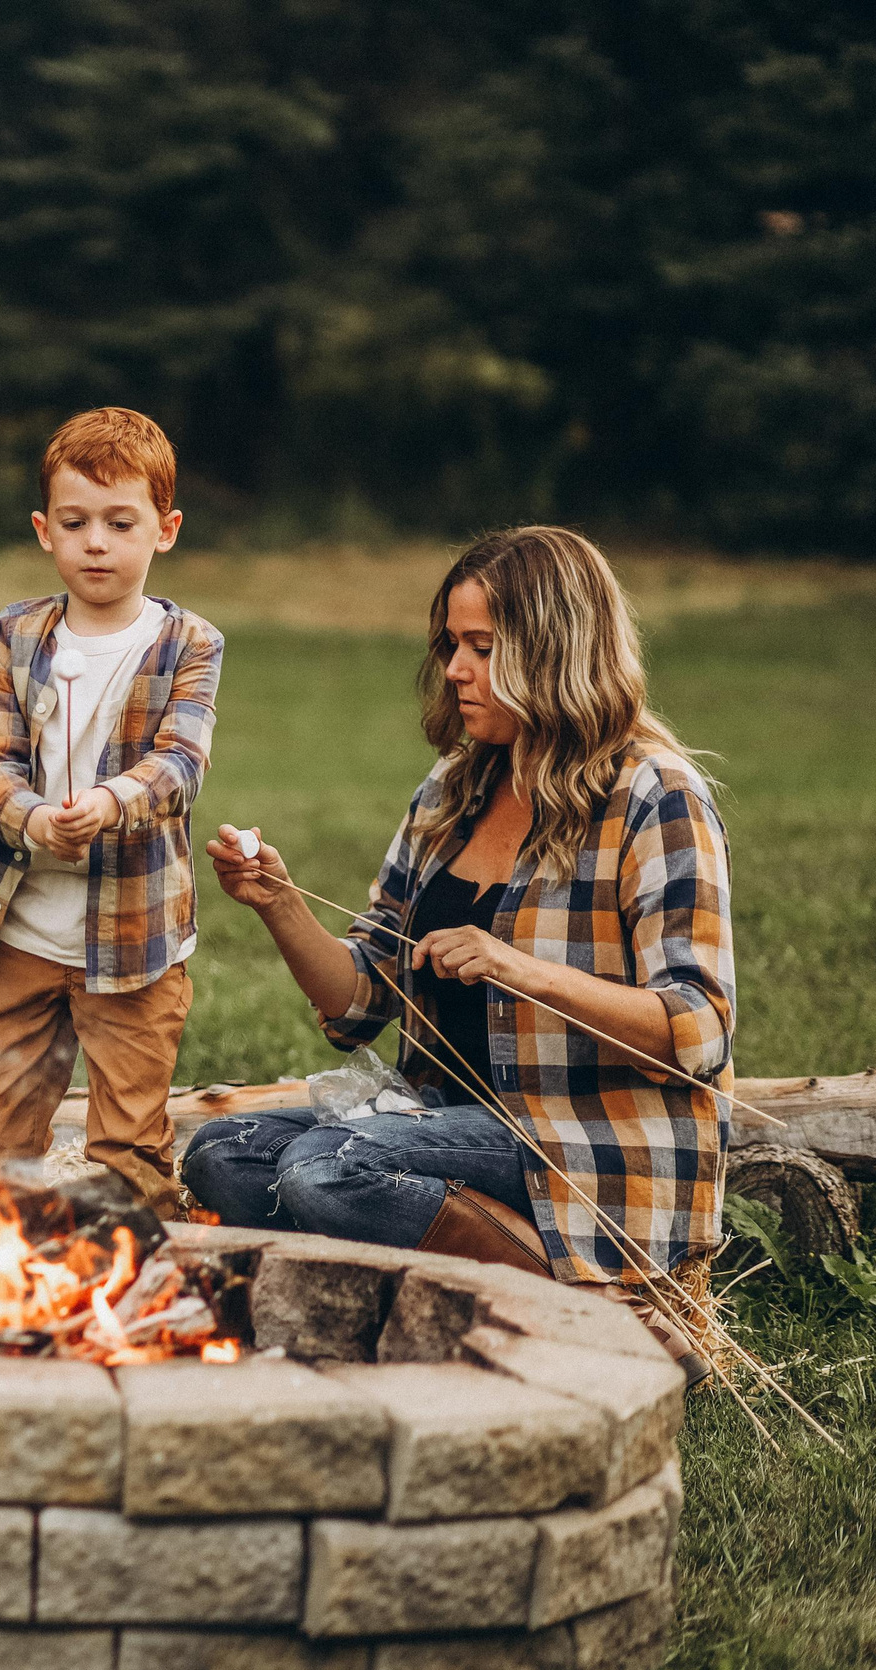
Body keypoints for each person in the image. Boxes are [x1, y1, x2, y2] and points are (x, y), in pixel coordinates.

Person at [181, 525, 732, 1374]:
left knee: (325, 1174)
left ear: (555, 652)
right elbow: (359, 1004)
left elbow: (698, 1029)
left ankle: (600, 1315)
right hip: (447, 1115)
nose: (454, 669)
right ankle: (420, 1308)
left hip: (586, 1133)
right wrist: (280, 905)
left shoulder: (655, 797)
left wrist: (519, 967)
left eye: (482, 647)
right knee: (223, 1154)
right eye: (450, 644)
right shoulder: (454, 786)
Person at [0, 408, 224, 1215]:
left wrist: (107, 803)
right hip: (22, 928)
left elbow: (179, 765)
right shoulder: (15, 634)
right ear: (44, 530)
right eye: (76, 522)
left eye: (119, 522)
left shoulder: (188, 644)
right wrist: (31, 817)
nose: (97, 541)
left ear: (164, 530)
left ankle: (129, 1270)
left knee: (129, 1144)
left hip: (136, 937)